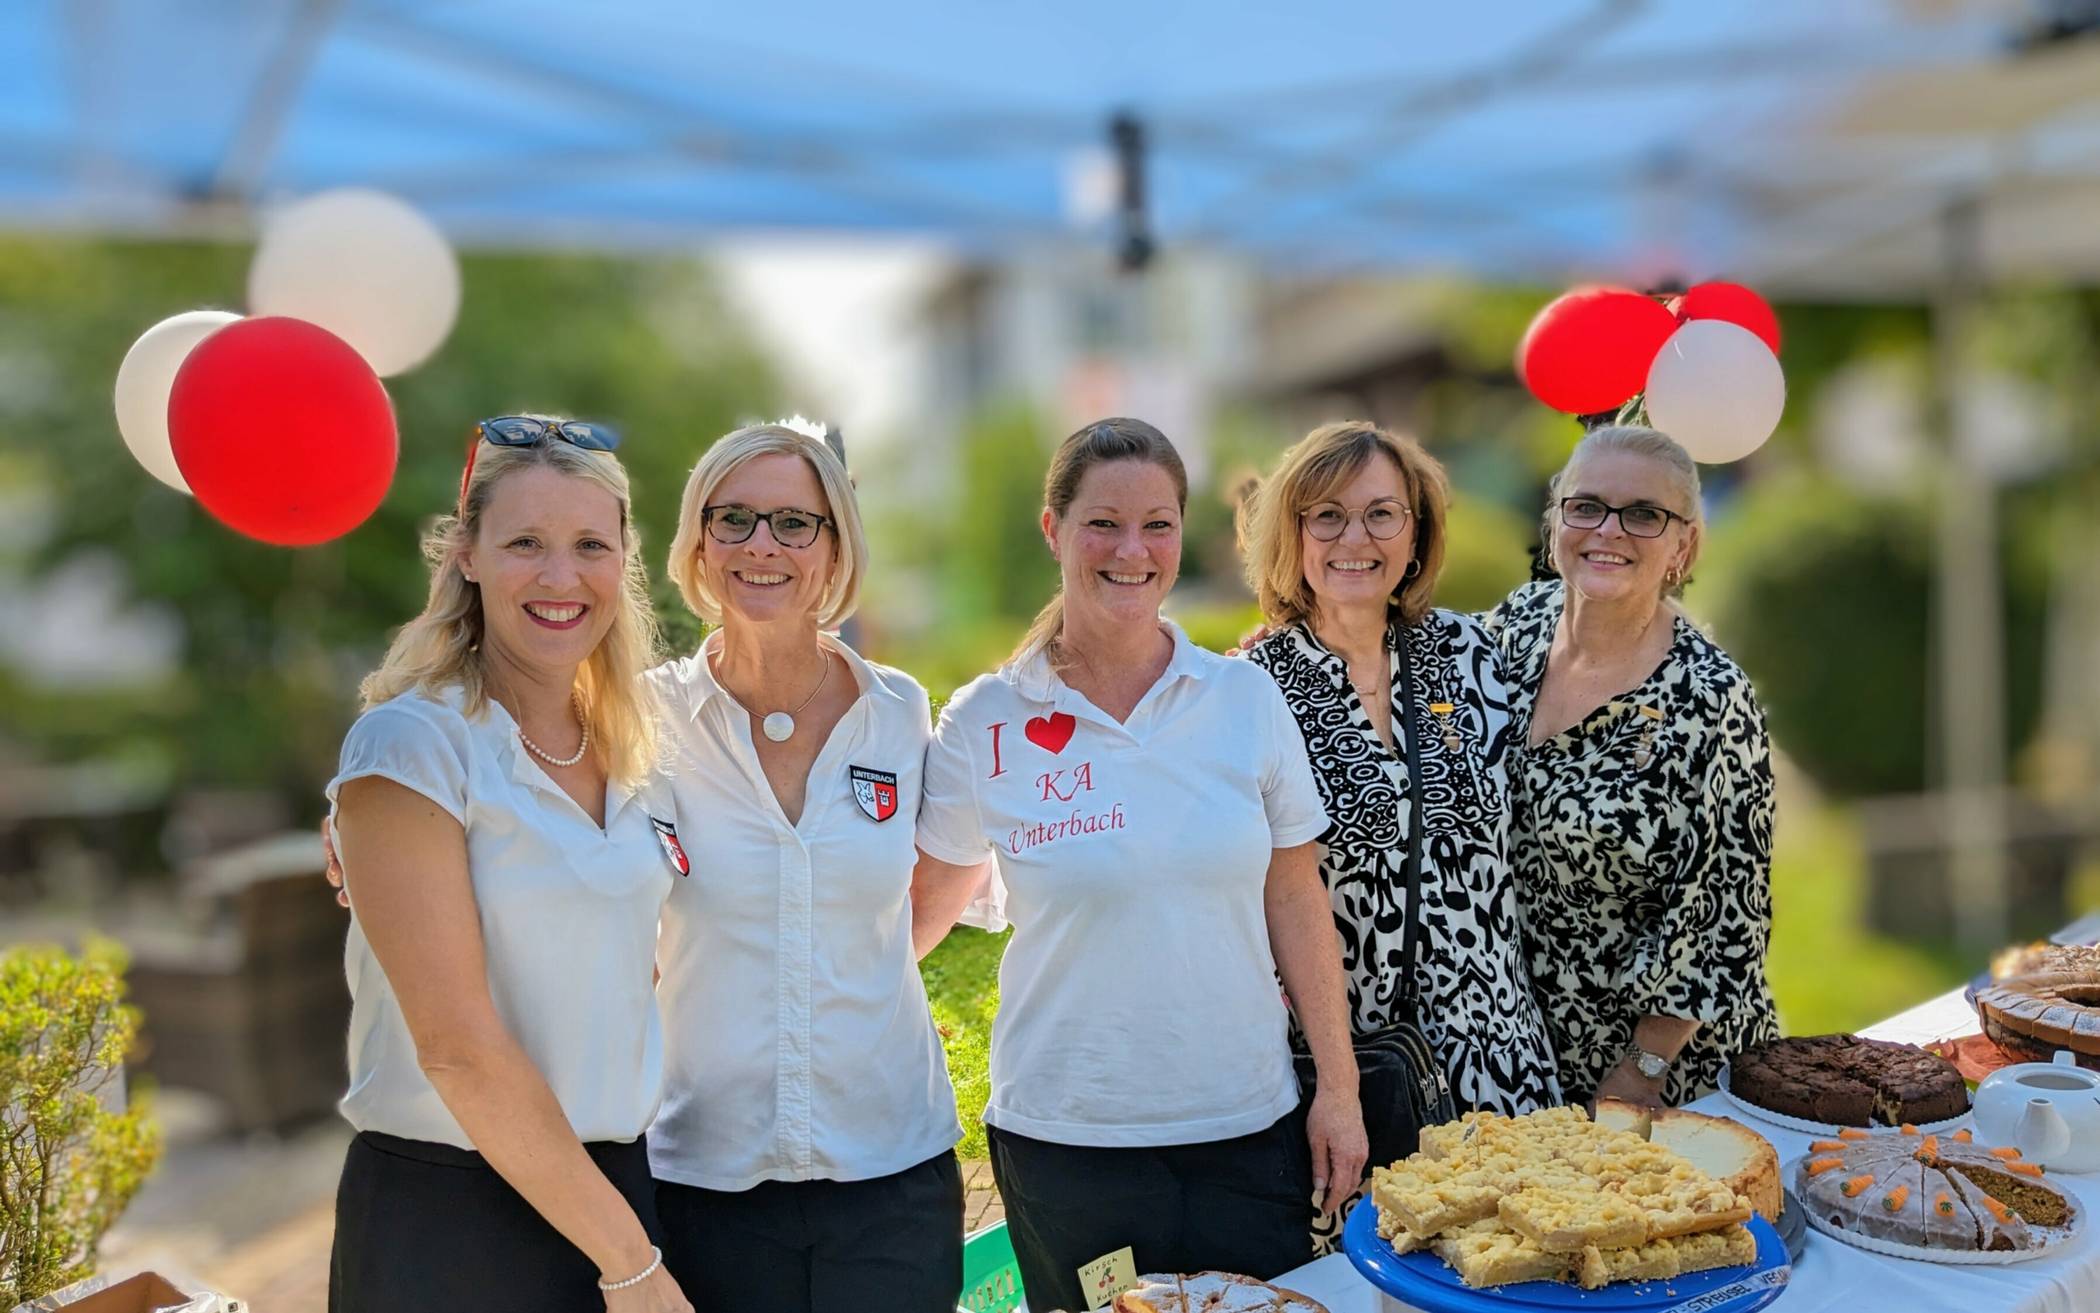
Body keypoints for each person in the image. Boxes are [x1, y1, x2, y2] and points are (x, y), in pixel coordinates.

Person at [910, 418, 1367, 1313]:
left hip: (1247, 1126)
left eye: (1157, 524)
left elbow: (1295, 893)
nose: (1132, 549)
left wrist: (1339, 1091)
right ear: (1054, 529)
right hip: (1067, 1141)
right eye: (1102, 523)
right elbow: (914, 921)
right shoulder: (985, 720)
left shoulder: (1242, 696)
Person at [325, 416, 690, 1312]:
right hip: (453, 1226)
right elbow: (457, 1052)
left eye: (589, 544)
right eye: (525, 541)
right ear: (466, 555)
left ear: (623, 561)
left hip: (613, 1195)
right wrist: (634, 1269)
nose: (561, 577)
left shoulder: (640, 750)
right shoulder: (412, 744)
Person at [646, 421, 964, 1313]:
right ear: (699, 543)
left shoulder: (898, 712)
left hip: (891, 1171)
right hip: (704, 1174)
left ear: (834, 548)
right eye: (735, 518)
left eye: (795, 522)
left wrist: (854, 963)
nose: (762, 545)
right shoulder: (641, 719)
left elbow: (940, 882)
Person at [1237, 421, 1563, 1251]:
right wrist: (1336, 1086)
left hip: (1505, 1065)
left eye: (1383, 514)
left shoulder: (1472, 652)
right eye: (1327, 516)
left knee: (1520, 1276)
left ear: (1416, 532)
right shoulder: (1248, 690)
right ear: (1292, 534)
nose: (1357, 538)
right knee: (1377, 1282)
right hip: (1358, 1081)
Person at [1483, 424, 1779, 1109]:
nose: (1608, 530)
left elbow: (1720, 915)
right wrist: (1284, 644)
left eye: (1644, 514)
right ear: (1557, 519)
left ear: (1684, 544)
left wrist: (1641, 1069)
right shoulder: (1515, 629)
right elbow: (1398, 679)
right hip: (1521, 1051)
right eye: (1586, 506)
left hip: (1660, 1072)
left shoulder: (1710, 699)